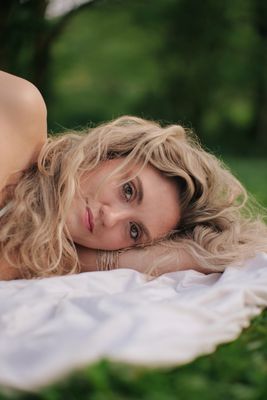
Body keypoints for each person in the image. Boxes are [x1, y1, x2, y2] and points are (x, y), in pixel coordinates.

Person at [0, 71, 267, 281]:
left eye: (134, 230)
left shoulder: (31, 255)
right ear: (108, 154)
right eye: (128, 190)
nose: (111, 217)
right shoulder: (20, 109)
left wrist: (100, 261)